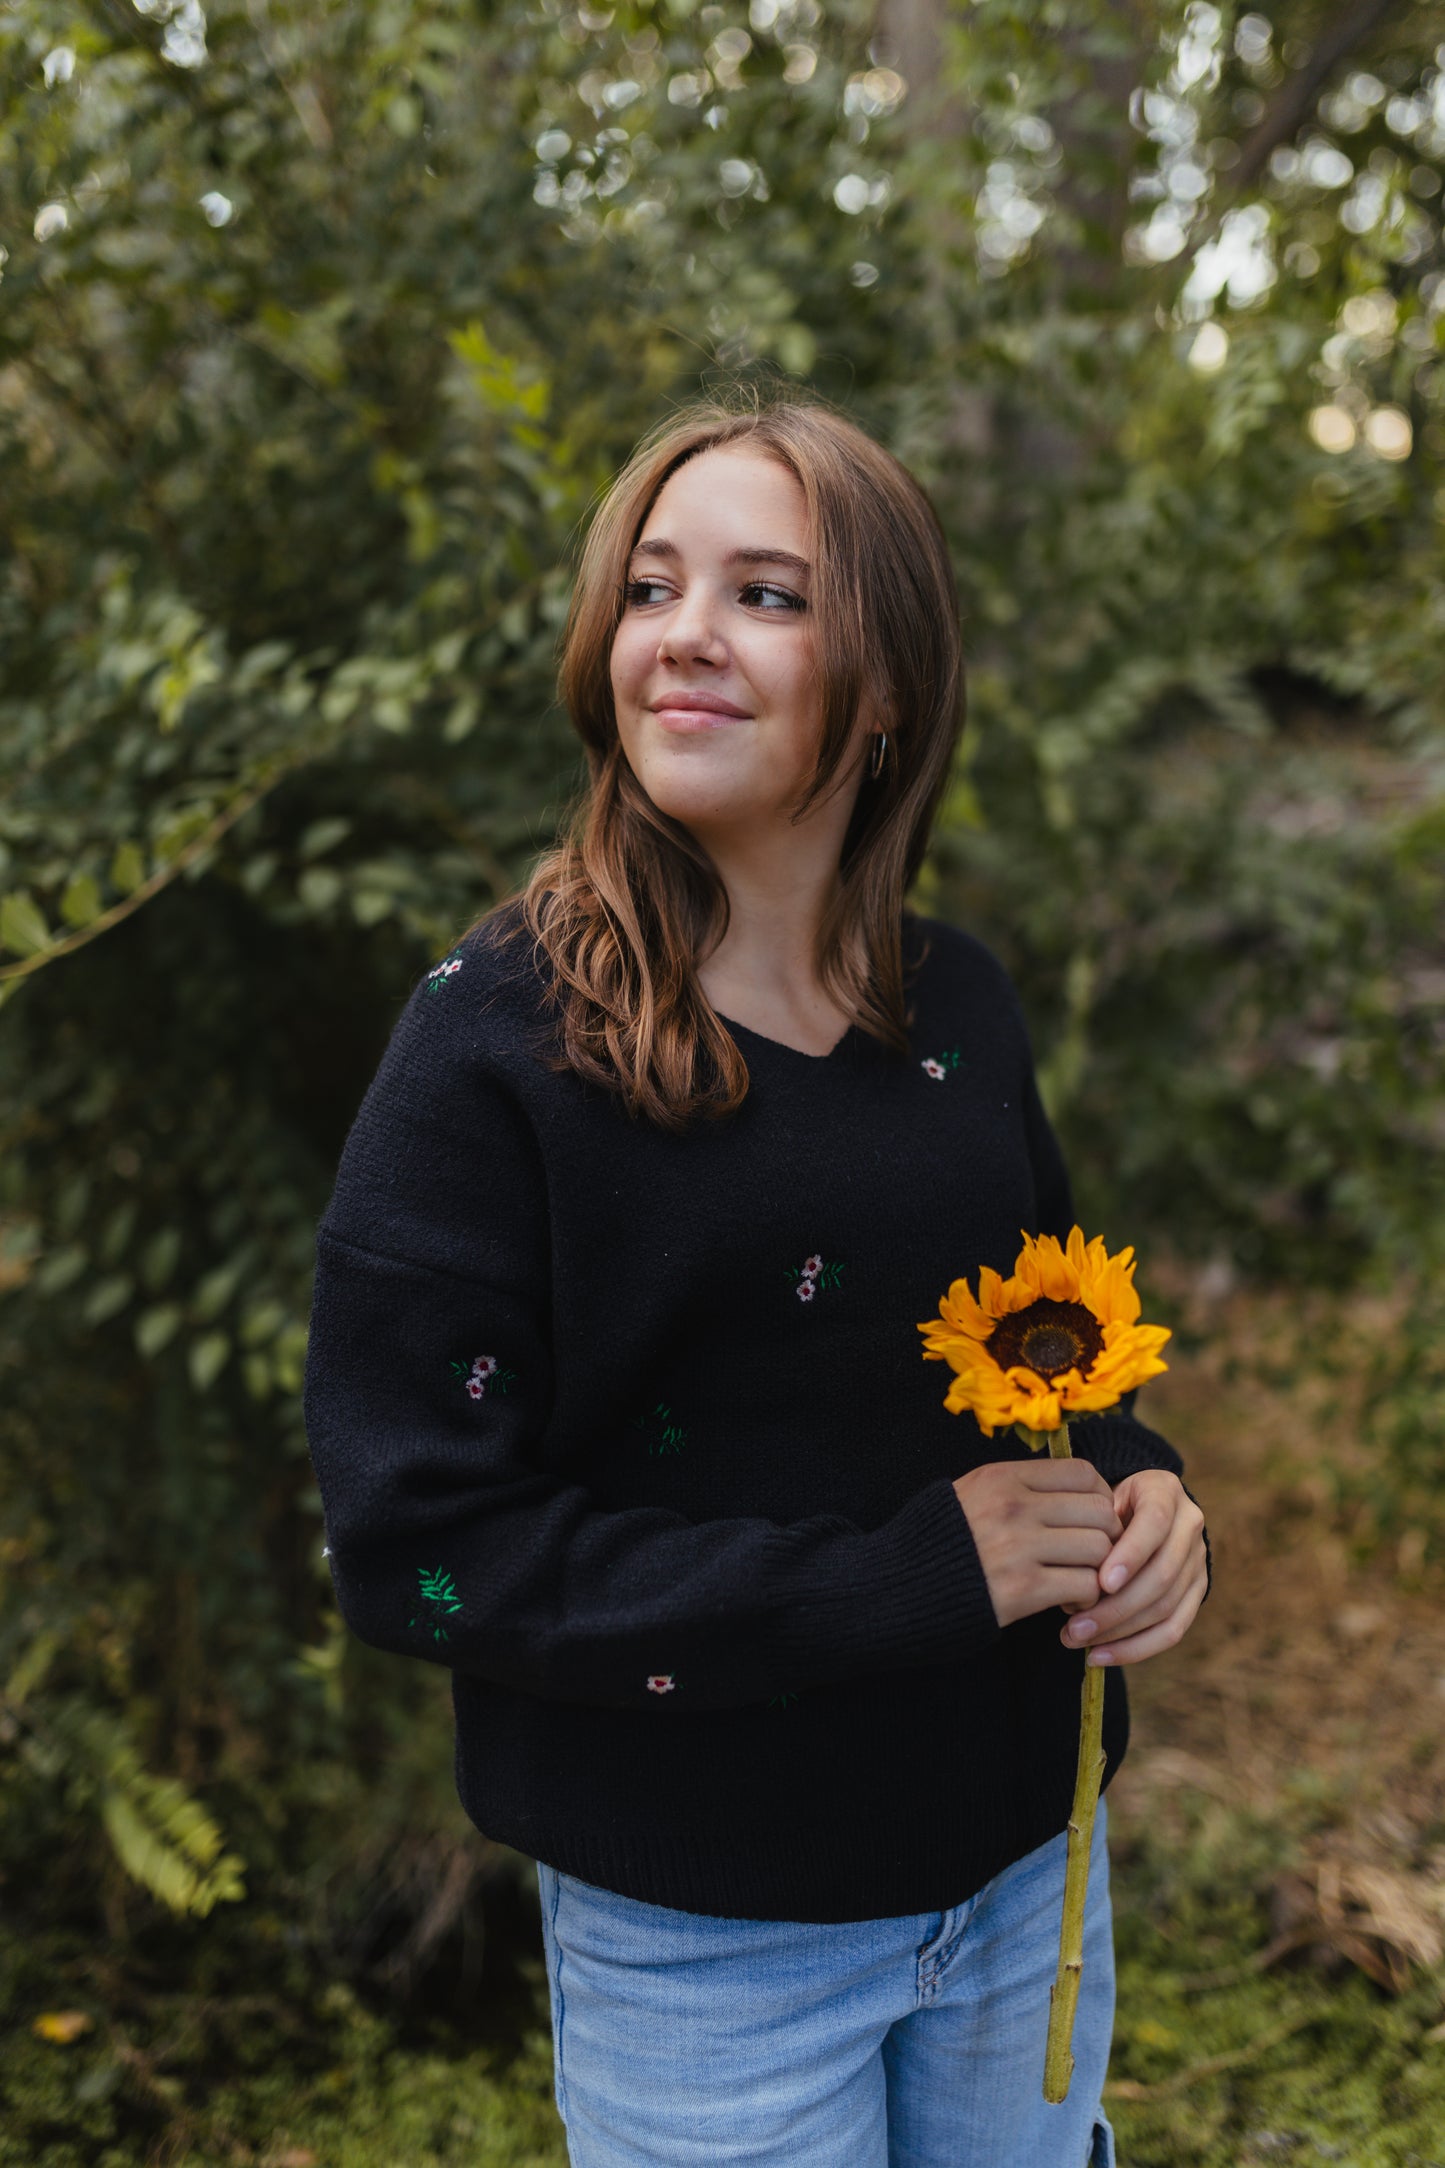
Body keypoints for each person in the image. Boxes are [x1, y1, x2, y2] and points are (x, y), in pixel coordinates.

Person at [303, 395, 1210, 2168]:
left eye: (768, 594)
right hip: (707, 1935)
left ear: (884, 688)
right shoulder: (494, 1052)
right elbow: (421, 1545)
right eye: (652, 586)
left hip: (1028, 1869)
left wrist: (1141, 1482)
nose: (686, 636)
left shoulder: (958, 1013)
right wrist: (897, 1584)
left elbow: (1052, 1363)